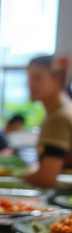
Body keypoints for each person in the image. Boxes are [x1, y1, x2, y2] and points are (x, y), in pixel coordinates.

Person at [24, 55, 72, 188]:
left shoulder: (59, 117)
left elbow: (46, 179)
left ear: (57, 78)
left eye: (37, 78)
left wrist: (13, 178)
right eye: (29, 78)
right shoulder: (61, 111)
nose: (30, 84)